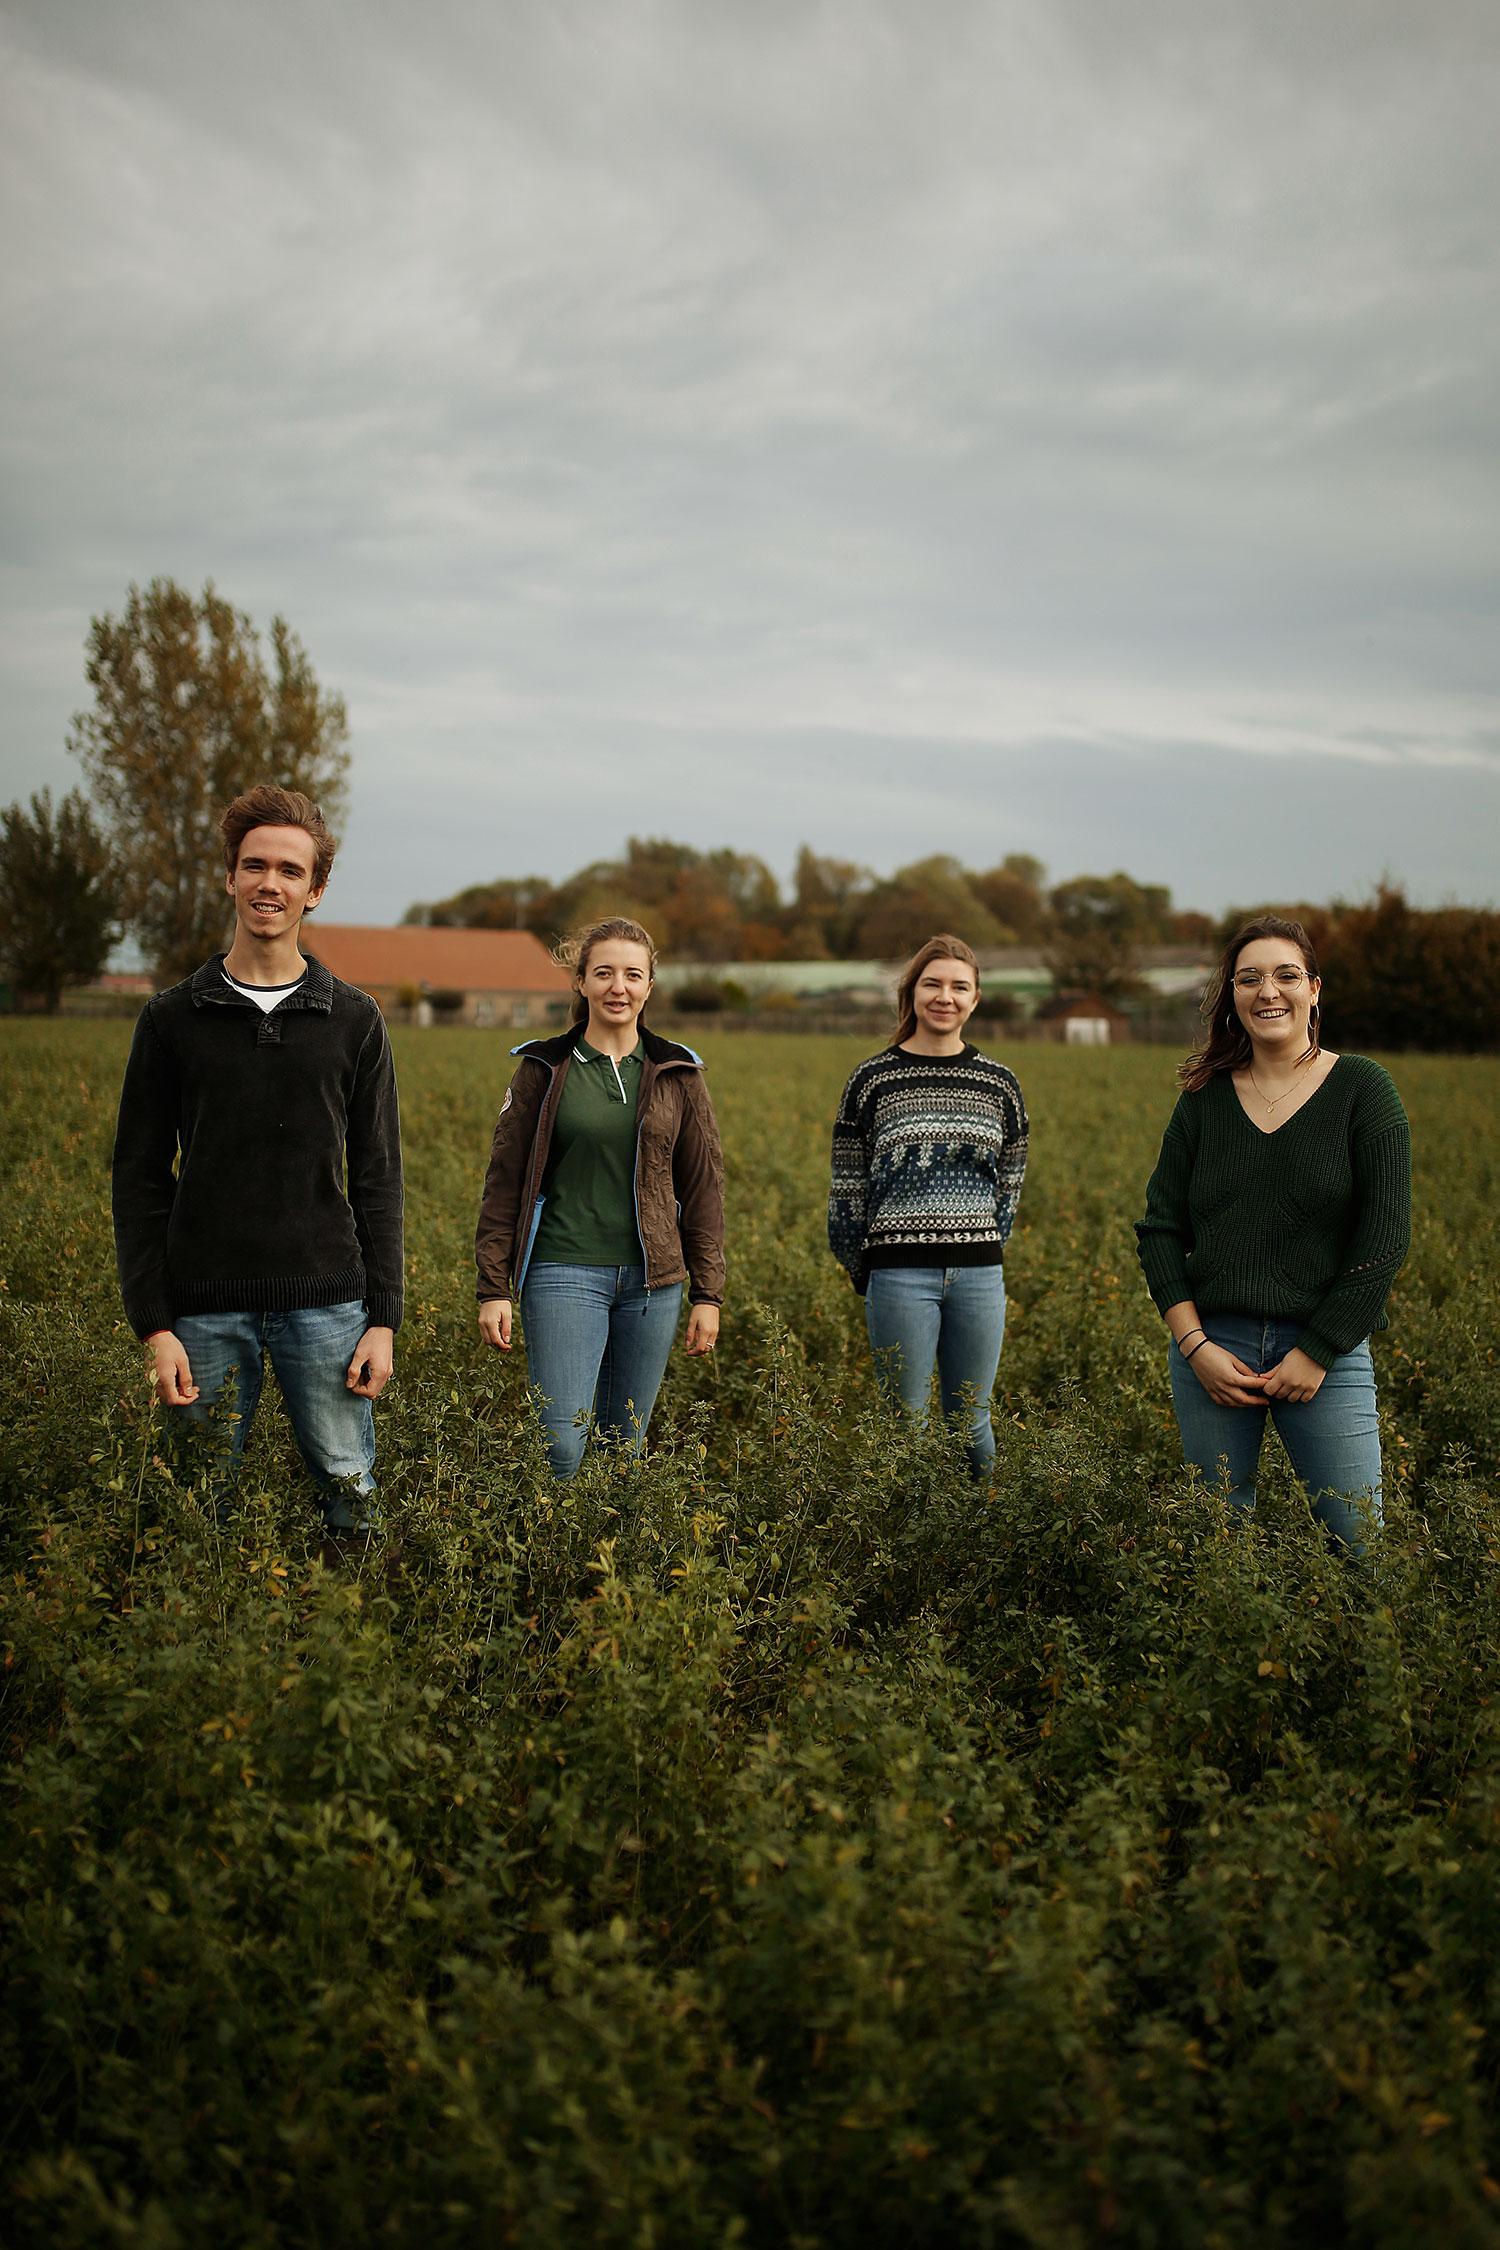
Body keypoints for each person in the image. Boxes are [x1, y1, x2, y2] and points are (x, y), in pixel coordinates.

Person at [111, 784, 404, 1551]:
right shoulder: (173, 1018)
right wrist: (155, 1326)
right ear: (231, 877)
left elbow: (378, 1178)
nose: (269, 883)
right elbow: (139, 1179)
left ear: (316, 890)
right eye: (254, 866)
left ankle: (348, 1640)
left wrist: (384, 1319)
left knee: (350, 1493)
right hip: (201, 1308)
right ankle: (196, 1644)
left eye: (287, 870)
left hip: (328, 1305)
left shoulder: (355, 1019)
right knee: (193, 1505)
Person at [1135, 913, 1411, 1554]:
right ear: (1231, 995)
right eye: (1249, 978)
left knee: (1358, 1544)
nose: (1268, 992)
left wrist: (1317, 1349)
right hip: (1214, 1350)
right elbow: (1160, 1228)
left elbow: (1384, 1235)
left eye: (1286, 975)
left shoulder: (1363, 1090)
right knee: (1218, 1545)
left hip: (1328, 1348)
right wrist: (1194, 1344)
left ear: (1314, 989)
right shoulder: (1204, 1097)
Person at [474, 916, 724, 1479]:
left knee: (623, 1448)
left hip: (653, 1282)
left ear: (650, 987)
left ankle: (603, 1563)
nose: (619, 986)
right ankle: (553, 1554)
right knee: (561, 1443)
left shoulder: (677, 1071)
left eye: (633, 975)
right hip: (563, 1269)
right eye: (604, 972)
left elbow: (703, 1186)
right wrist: (493, 1285)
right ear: (581, 982)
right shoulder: (543, 1068)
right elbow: (504, 1182)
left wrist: (708, 1293)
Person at [828, 934, 1028, 1481]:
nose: (946, 997)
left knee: (972, 1423)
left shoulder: (999, 1084)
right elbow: (848, 1191)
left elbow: (1010, 1186)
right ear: (911, 992)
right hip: (897, 1276)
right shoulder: (872, 1081)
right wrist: (866, 1268)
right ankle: (911, 1550)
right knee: (905, 1427)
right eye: (933, 984)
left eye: (960, 987)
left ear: (976, 998)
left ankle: (982, 1537)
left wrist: (980, 1245)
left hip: (980, 1277)